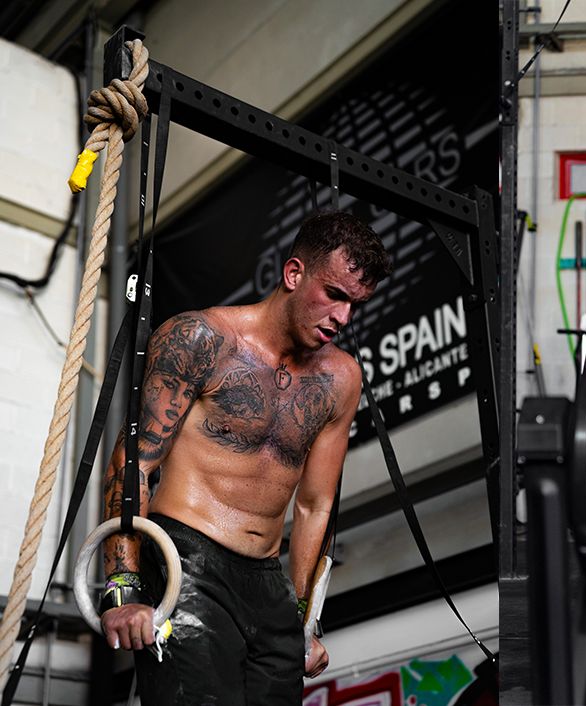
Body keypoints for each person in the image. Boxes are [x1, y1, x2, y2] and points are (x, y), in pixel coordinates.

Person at [99, 210, 392, 704]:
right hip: (185, 562)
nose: (342, 318)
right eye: (335, 295)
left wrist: (303, 619)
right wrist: (124, 590)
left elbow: (314, 504)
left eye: (355, 304)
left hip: (266, 581)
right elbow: (135, 464)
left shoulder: (340, 379)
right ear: (294, 274)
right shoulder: (201, 339)